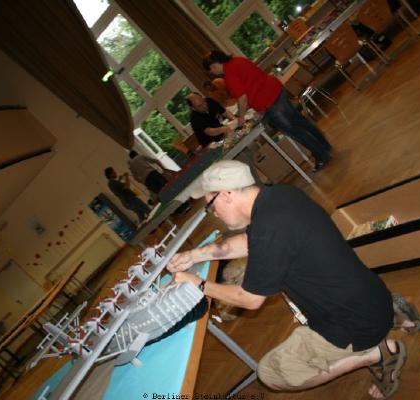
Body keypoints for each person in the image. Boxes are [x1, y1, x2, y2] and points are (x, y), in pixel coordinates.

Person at [167, 160, 407, 399]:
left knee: (270, 374)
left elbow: (249, 299)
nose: (215, 213)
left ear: (226, 194)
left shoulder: (269, 229)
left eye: (211, 205)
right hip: (371, 295)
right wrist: (195, 255)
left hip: (352, 323)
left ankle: (378, 353)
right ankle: (394, 313)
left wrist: (198, 284)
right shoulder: (280, 196)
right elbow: (251, 242)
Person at [202, 50, 332, 170]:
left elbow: (242, 98)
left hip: (269, 102)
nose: (213, 73)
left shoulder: (229, 74)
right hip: (276, 91)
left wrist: (241, 117)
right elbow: (252, 82)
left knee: (295, 131)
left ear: (213, 65)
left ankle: (322, 155)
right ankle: (325, 146)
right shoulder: (238, 60)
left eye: (211, 70)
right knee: (300, 121)